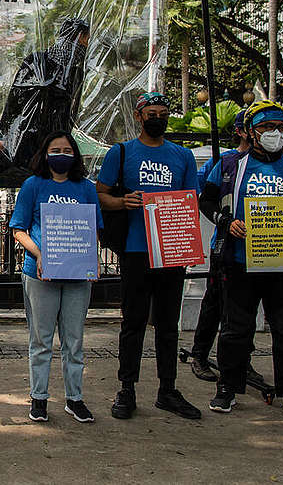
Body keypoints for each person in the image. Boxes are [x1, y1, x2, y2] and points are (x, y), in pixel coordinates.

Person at [199, 101, 283, 421]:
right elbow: (206, 199)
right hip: (239, 262)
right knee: (235, 331)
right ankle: (227, 388)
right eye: (268, 128)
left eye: (281, 128)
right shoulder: (229, 167)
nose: (276, 134)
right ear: (251, 132)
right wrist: (225, 222)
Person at [96, 92, 202, 420]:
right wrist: (121, 202)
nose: (157, 118)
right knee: (133, 322)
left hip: (170, 250)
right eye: (151, 113)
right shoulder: (122, 151)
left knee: (169, 325)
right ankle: (126, 388)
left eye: (162, 113)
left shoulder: (182, 156)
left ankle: (167, 389)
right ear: (139, 117)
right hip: (135, 249)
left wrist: (186, 243)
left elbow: (192, 201)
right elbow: (99, 194)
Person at [10, 131, 102, 423]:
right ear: (45, 154)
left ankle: (74, 398)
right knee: (41, 340)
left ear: (75, 154)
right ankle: (39, 398)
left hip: (77, 275)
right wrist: (40, 255)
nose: (61, 154)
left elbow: (95, 228)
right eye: (55, 149)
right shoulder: (33, 185)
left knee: (74, 340)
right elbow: (18, 229)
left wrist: (89, 257)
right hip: (40, 275)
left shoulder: (86, 188)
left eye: (66, 149)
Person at [0, 18, 90, 189]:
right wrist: (3, 133)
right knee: (16, 171)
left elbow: (71, 110)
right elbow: (15, 97)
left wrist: (64, 139)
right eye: (85, 39)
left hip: (52, 136)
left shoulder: (75, 72)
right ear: (76, 37)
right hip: (24, 132)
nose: (86, 45)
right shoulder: (38, 61)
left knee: (38, 176)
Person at [190, 109, 264, 384]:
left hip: (261, 248)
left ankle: (242, 360)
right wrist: (223, 219)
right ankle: (200, 354)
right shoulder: (224, 162)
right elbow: (201, 196)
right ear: (242, 131)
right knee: (214, 300)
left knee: (245, 310)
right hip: (225, 246)